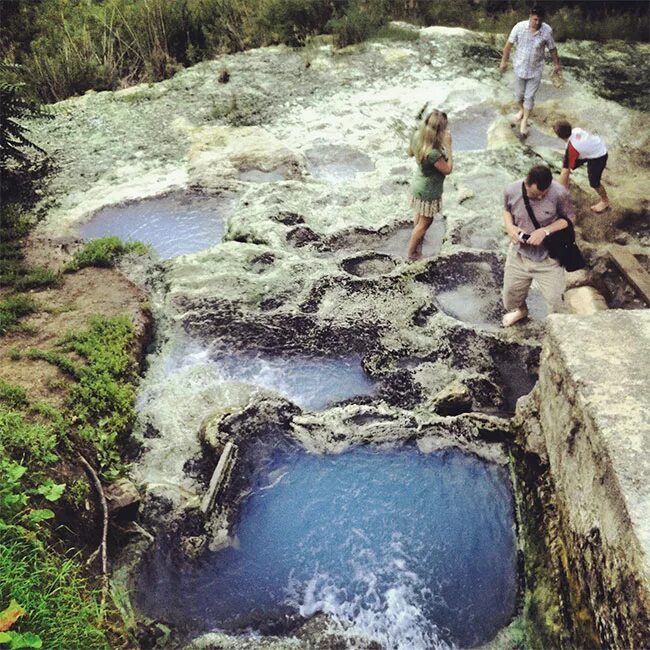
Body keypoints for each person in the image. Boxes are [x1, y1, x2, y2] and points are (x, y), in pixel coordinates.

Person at [501, 165, 576, 327]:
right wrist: (509, 227)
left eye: (544, 194)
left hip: (548, 258)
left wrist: (545, 231)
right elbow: (506, 210)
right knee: (510, 295)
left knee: (556, 301)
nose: (540, 197)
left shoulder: (560, 193)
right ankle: (521, 311)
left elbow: (570, 219)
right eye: (535, 194)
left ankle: (557, 332)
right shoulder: (511, 190)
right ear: (526, 184)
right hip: (519, 254)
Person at [499, 5, 561, 139]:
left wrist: (556, 65)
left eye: (540, 20)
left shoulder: (546, 30)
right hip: (519, 67)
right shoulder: (519, 27)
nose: (537, 23)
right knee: (518, 96)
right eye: (535, 20)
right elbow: (508, 46)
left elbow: (552, 49)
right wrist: (504, 61)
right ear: (530, 17)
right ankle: (522, 110)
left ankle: (524, 122)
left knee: (529, 96)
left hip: (536, 68)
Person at [406, 109, 453, 260]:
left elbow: (410, 153)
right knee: (426, 222)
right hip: (428, 191)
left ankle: (417, 239)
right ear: (439, 131)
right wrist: (449, 147)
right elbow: (448, 169)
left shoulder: (417, 137)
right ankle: (412, 253)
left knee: (419, 215)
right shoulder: (434, 153)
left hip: (418, 184)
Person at [553, 119, 609, 213]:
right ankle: (564, 186)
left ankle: (605, 201)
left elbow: (567, 168)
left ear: (559, 136)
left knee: (594, 183)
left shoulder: (572, 148)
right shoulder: (576, 130)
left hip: (598, 157)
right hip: (591, 149)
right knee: (566, 166)